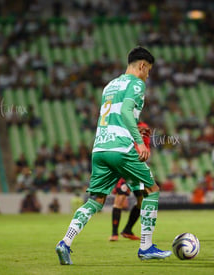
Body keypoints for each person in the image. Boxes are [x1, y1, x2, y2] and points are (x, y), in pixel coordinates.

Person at [56, 46, 171, 265]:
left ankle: (65, 242)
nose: (148, 75)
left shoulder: (110, 85)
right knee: (151, 191)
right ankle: (146, 247)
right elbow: (126, 112)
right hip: (121, 148)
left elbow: (114, 116)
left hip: (100, 149)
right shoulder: (136, 83)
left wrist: (135, 130)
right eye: (148, 71)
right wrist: (139, 142)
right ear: (142, 66)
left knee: (96, 201)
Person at [109, 122, 151, 242]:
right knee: (119, 200)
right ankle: (114, 234)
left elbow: (146, 153)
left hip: (136, 172)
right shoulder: (124, 131)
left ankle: (127, 230)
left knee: (141, 201)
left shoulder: (145, 137)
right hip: (124, 170)